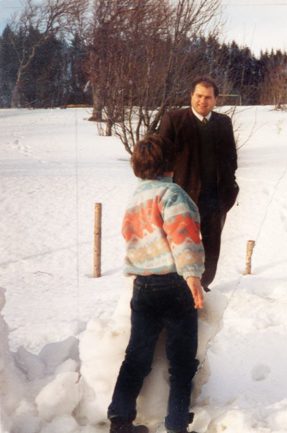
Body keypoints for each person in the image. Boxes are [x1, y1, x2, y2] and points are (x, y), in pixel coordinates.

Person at [108, 134, 205, 433]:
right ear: (170, 163)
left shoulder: (136, 198)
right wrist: (192, 277)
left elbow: (131, 237)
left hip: (143, 286)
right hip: (175, 285)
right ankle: (176, 423)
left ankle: (120, 420)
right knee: (182, 361)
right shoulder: (171, 194)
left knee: (136, 356)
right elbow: (183, 237)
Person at [159, 76, 239, 291]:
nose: (202, 101)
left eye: (208, 97)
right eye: (199, 96)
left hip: (215, 199)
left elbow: (231, 159)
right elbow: (162, 160)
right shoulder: (174, 120)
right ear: (191, 96)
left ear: (215, 100)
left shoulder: (223, 123)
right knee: (180, 246)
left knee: (211, 248)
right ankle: (180, 288)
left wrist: (229, 192)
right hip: (182, 198)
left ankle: (203, 286)